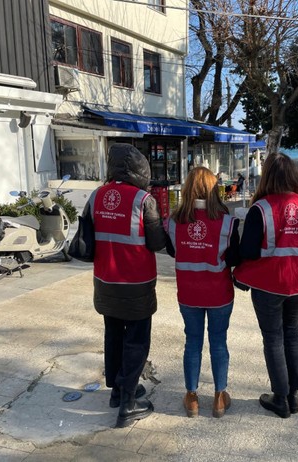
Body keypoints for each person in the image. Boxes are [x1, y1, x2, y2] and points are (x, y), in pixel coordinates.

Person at [82, 143, 167, 428]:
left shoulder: (96, 196)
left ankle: (118, 391)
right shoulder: (144, 200)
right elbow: (157, 242)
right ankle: (129, 404)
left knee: (114, 336)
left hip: (105, 281)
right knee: (137, 341)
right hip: (137, 284)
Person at [234, 153, 298, 418]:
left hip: (269, 287)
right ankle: (293, 396)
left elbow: (247, 251)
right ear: (295, 176)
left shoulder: (261, 209)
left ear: (267, 177)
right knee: (292, 334)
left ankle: (280, 398)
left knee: (273, 337)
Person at [165, 167, 240, 418]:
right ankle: (219, 397)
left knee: (192, 342)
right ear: (213, 189)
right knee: (218, 342)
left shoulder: (174, 222)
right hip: (219, 293)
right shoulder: (227, 222)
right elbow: (234, 255)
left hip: (188, 294)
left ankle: (192, 397)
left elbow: (174, 252)